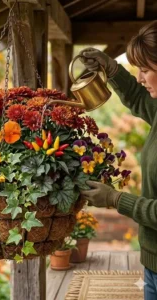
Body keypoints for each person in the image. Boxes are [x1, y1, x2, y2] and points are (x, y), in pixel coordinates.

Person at [79, 20, 157, 300]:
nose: (140, 77)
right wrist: (110, 68)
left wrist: (114, 199)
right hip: (152, 264)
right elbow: (138, 98)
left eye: (145, 69)